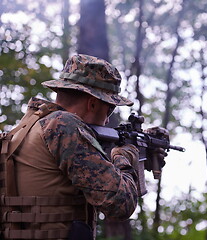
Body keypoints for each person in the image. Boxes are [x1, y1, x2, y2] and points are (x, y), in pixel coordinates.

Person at [0, 54, 166, 239]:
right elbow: (121, 204)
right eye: (110, 108)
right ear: (93, 103)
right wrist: (124, 157)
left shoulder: (27, 127)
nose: (108, 119)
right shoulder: (64, 125)